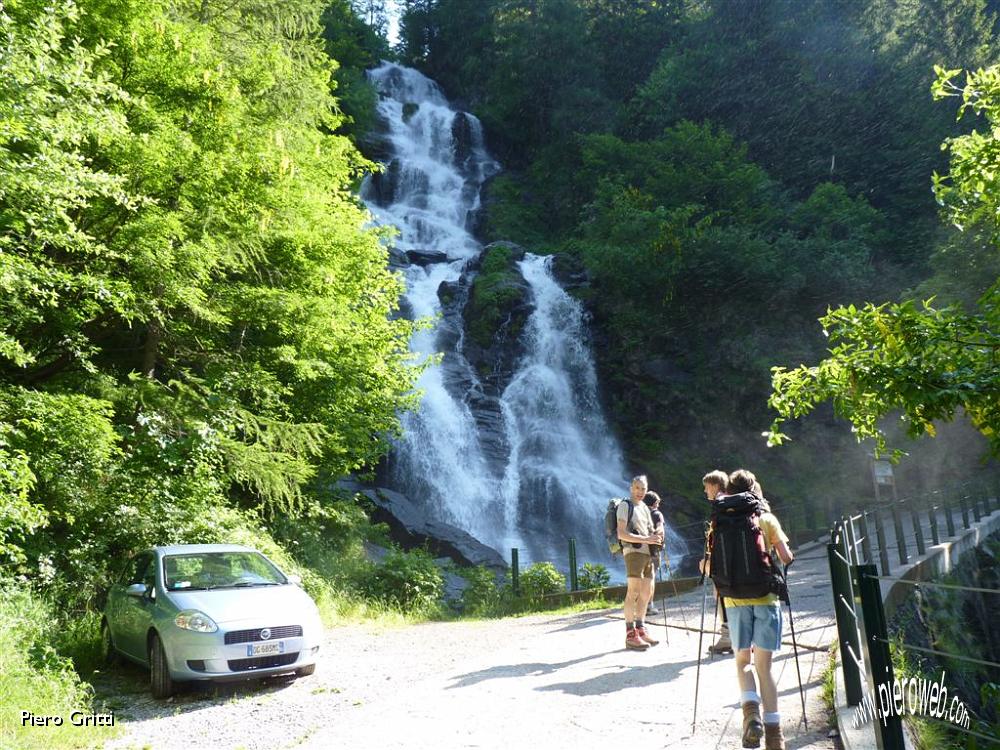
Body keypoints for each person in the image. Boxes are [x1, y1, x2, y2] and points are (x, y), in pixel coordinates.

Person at [717, 469, 794, 750]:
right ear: (755, 490)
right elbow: (786, 557)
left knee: (742, 662)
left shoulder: (719, 519)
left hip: (734, 600)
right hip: (765, 597)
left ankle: (751, 716)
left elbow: (707, 565)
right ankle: (775, 737)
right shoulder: (766, 518)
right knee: (764, 667)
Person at [617, 475, 663, 650]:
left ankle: (641, 629)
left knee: (646, 592)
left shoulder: (644, 507)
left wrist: (658, 533)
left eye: (643, 489)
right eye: (637, 488)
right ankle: (630, 633)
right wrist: (647, 539)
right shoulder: (625, 505)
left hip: (648, 553)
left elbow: (650, 530)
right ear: (631, 488)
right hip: (634, 552)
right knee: (633, 591)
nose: (640, 492)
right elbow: (621, 534)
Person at [703, 470, 733, 655]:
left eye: (706, 487)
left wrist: (709, 560)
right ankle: (737, 636)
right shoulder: (734, 502)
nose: (705, 491)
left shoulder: (720, 504)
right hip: (735, 556)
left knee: (721, 594)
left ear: (714, 485)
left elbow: (718, 535)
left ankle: (726, 637)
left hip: (723, 558)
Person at [644, 491, 668, 617]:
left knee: (640, 578)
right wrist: (656, 536)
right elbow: (660, 528)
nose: (658, 506)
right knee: (650, 577)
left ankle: (639, 606)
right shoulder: (657, 514)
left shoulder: (639, 513)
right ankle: (649, 606)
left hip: (638, 550)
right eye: (657, 503)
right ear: (653, 503)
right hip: (652, 550)